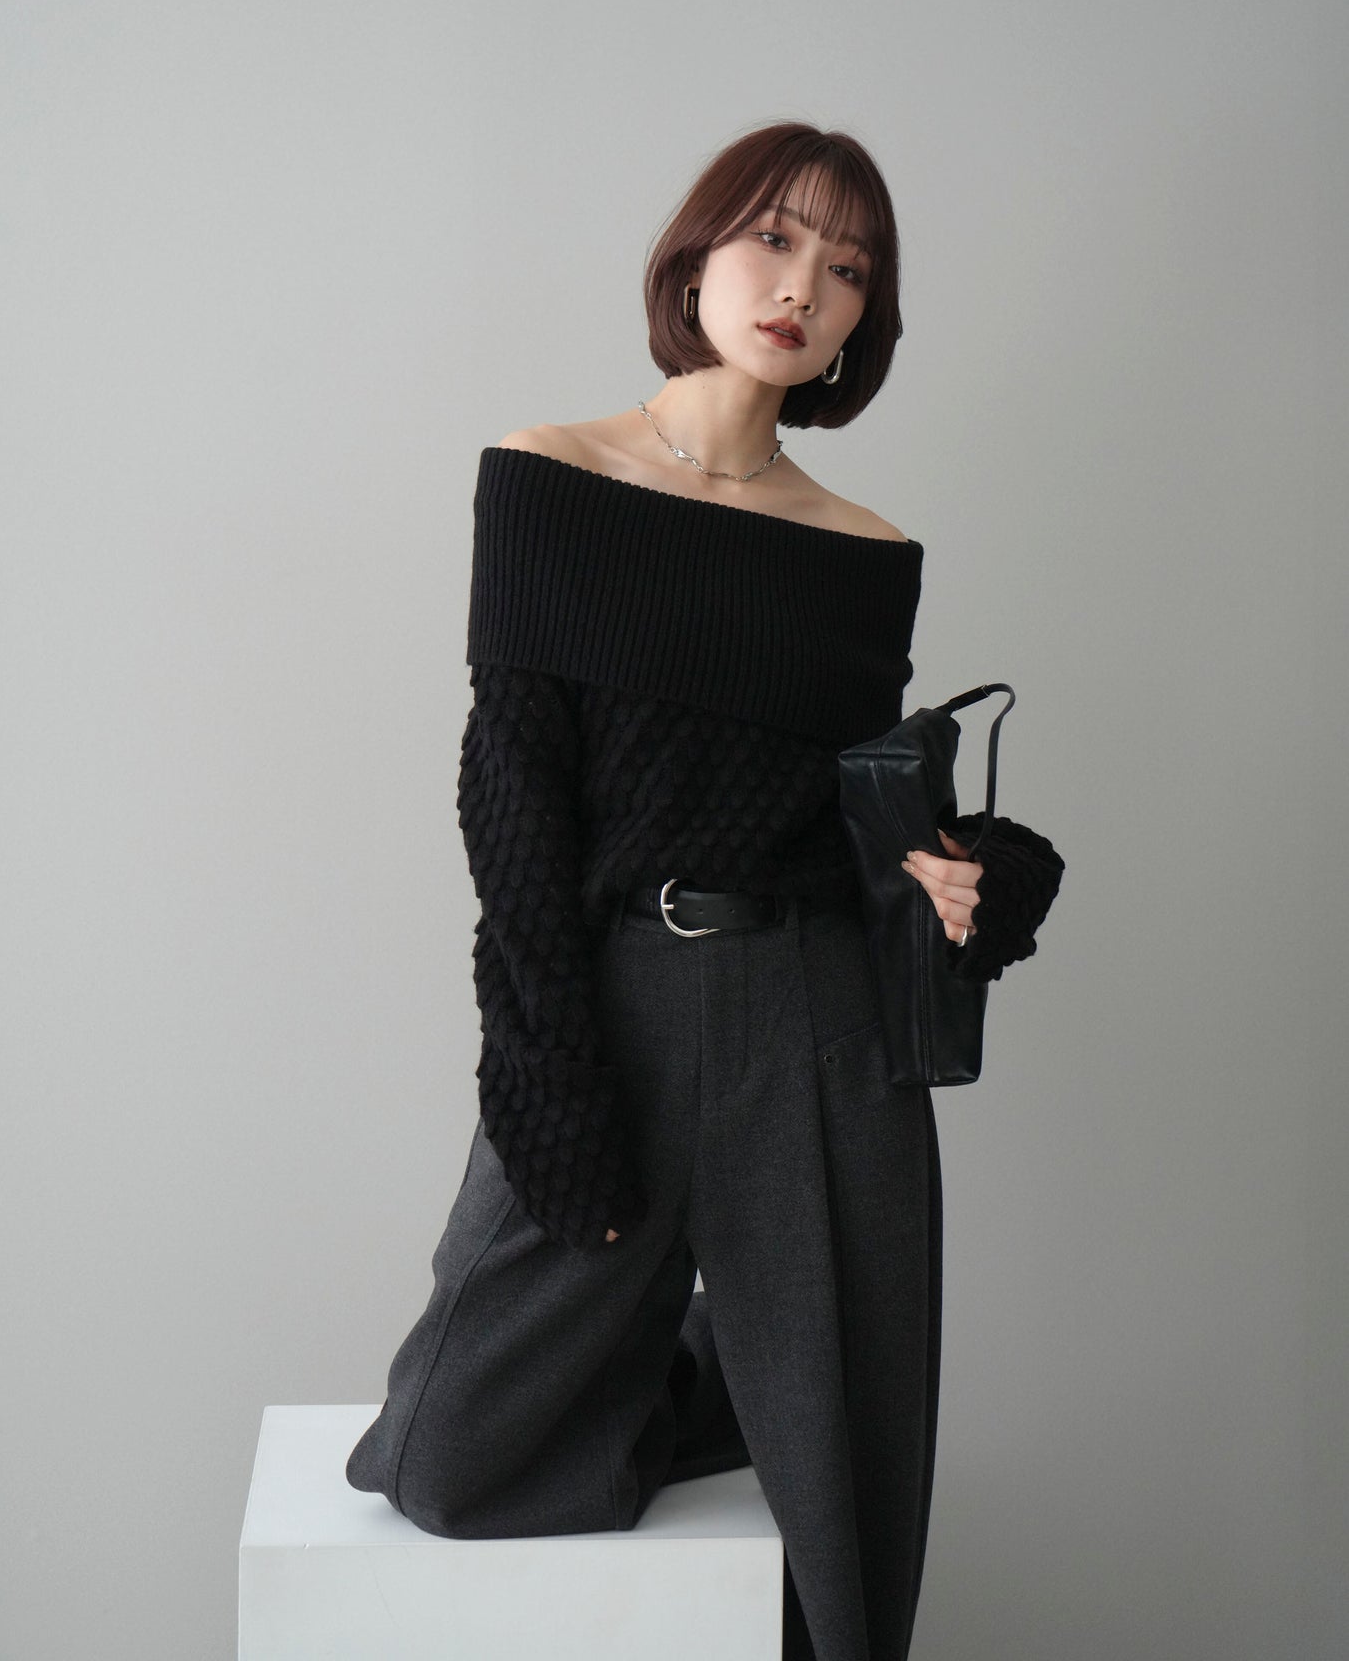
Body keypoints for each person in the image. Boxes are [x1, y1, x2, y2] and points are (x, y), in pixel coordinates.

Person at [345, 120, 1065, 1661]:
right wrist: (547, 1073)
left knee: (842, 1522)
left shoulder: (863, 551)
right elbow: (511, 801)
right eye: (773, 239)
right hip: (613, 996)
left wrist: (976, 874)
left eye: (846, 268)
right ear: (694, 259)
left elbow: (859, 823)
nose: (801, 286)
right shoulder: (549, 477)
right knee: (451, 1453)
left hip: (815, 1018)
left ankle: (786, 1370)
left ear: (864, 318)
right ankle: (719, 1363)